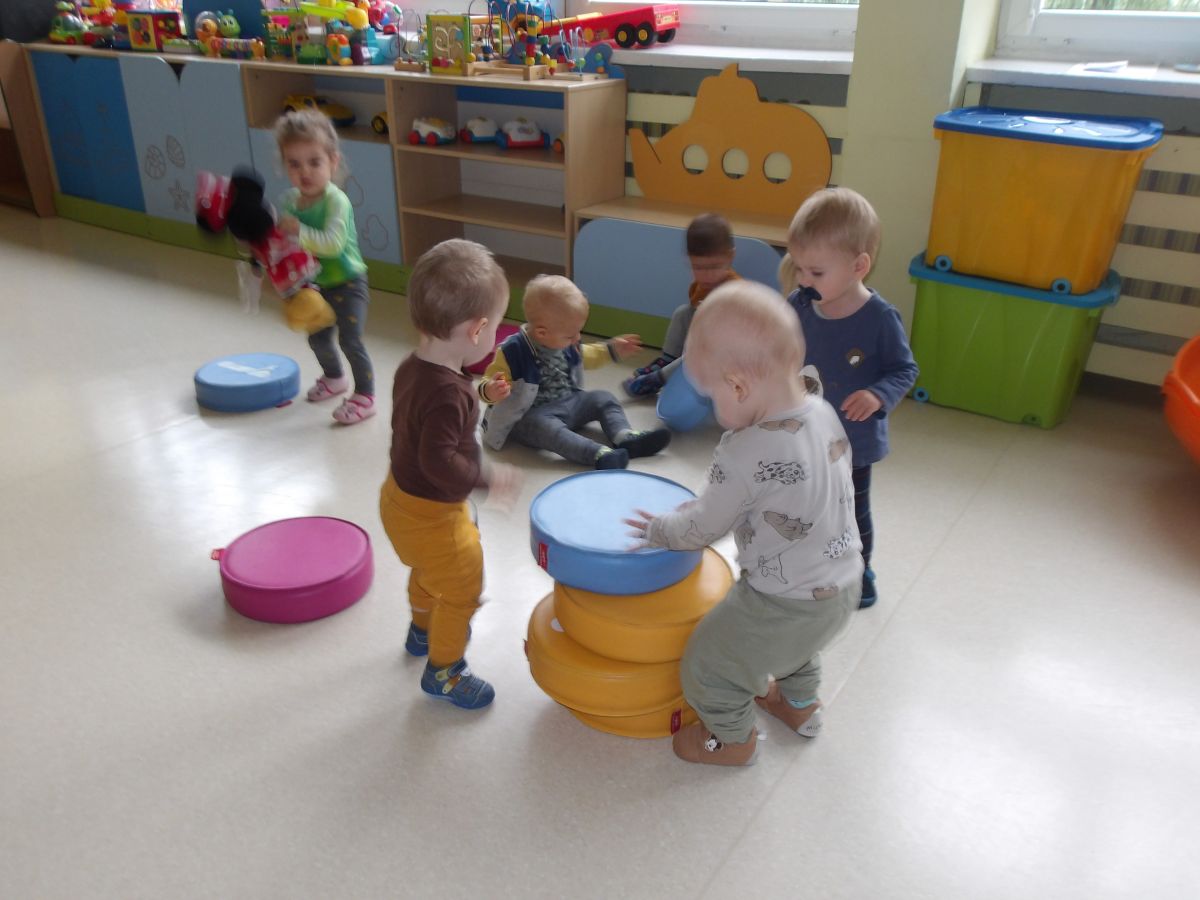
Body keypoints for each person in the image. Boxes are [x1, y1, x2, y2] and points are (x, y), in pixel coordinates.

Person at [626, 282, 861, 767]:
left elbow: (700, 529)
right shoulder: (821, 409)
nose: (713, 409)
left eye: (711, 395)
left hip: (783, 602)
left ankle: (731, 740)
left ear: (737, 386)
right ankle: (800, 706)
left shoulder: (743, 450)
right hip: (843, 585)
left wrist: (658, 529)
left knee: (710, 662)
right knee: (799, 646)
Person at [378, 239, 519, 710]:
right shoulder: (448, 394)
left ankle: (421, 630)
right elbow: (439, 461)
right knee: (461, 589)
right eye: (496, 326)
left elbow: (440, 407)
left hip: (398, 501)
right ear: (477, 330)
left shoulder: (414, 367)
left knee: (426, 570)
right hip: (434, 516)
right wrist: (486, 478)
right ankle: (444, 671)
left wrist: (483, 393)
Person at [785, 187, 918, 608]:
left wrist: (877, 395)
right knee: (805, 503)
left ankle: (861, 571)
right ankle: (809, 561)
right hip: (803, 434)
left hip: (852, 443)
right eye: (799, 268)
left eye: (815, 272)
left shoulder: (880, 318)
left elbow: (904, 370)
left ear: (859, 266)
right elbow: (778, 348)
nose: (803, 280)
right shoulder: (799, 305)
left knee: (852, 511)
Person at [480, 274, 671, 470]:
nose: (577, 338)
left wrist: (611, 350)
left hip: (570, 402)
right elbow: (487, 381)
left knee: (603, 397)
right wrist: (491, 390)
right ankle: (598, 454)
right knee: (549, 429)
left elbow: (586, 354)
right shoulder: (512, 351)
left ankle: (625, 437)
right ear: (542, 332)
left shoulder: (565, 340)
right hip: (533, 416)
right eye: (571, 335)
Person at [274, 109, 376, 425]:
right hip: (316, 285)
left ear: (333, 161)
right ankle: (334, 377)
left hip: (349, 282)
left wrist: (299, 232)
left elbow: (332, 244)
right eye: (294, 164)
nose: (304, 172)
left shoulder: (336, 201)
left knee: (350, 340)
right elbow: (285, 246)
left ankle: (366, 396)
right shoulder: (290, 201)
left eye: (314, 162)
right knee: (317, 338)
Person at [623, 213, 740, 397]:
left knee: (698, 351)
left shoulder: (734, 290)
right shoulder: (700, 286)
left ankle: (658, 379)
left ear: (730, 257)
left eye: (714, 267)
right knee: (682, 313)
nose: (706, 275)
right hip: (700, 338)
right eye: (698, 267)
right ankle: (666, 361)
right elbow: (694, 313)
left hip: (721, 355)